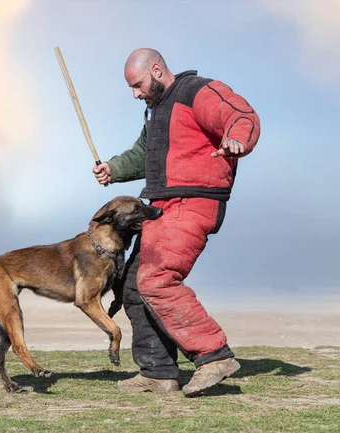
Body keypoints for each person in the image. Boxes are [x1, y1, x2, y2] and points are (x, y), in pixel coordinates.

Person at [92, 48, 261, 397]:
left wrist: (236, 140)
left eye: (137, 85)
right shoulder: (155, 111)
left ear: (156, 70)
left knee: (157, 279)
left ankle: (214, 356)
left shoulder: (196, 91)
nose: (135, 94)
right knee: (132, 288)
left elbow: (240, 114)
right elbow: (144, 155)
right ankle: (158, 373)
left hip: (192, 201)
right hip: (162, 206)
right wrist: (113, 169)